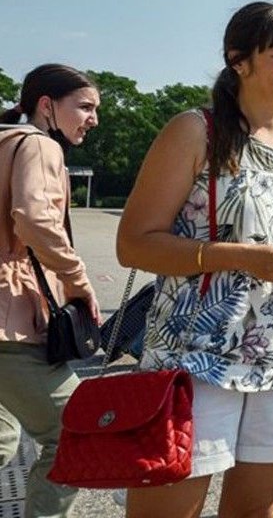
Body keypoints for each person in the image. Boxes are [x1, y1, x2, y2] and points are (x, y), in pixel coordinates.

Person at [116, 2, 273, 517]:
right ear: (239, 60)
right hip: (196, 355)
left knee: (257, 512)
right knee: (167, 509)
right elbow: (134, 242)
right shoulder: (196, 131)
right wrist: (238, 257)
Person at [0, 64, 101, 518]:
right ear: (46, 106)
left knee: (2, 437)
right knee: (77, 432)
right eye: (84, 106)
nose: (93, 118)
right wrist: (79, 283)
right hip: (9, 319)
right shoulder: (38, 144)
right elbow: (35, 218)